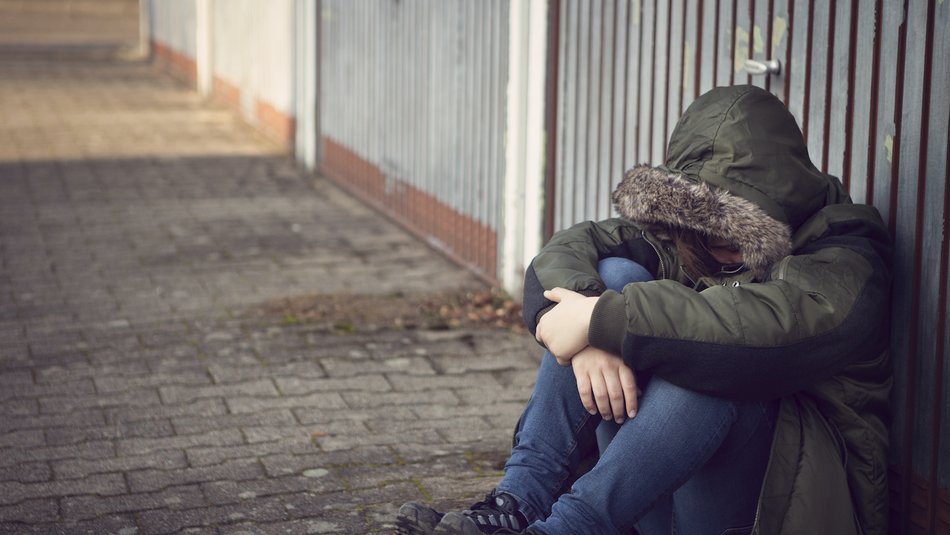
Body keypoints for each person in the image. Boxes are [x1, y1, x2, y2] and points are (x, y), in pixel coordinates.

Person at [396, 85, 892, 535]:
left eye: (737, 222)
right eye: (702, 222)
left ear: (780, 202)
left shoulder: (843, 255)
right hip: (655, 497)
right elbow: (571, 249)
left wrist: (600, 322)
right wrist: (591, 342)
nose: (715, 240)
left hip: (778, 510)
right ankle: (518, 504)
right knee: (612, 276)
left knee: (705, 357)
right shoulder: (681, 240)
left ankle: (567, 528)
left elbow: (759, 331)